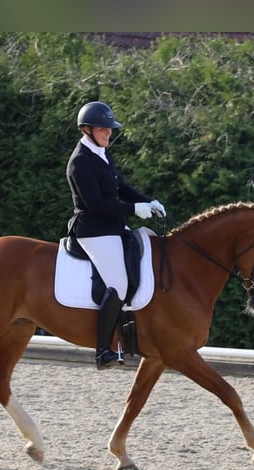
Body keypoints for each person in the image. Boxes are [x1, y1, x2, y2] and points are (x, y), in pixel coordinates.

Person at [66, 101, 166, 370]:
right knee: (119, 284)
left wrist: (149, 201)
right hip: (93, 230)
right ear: (86, 129)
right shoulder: (80, 162)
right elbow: (96, 205)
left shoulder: (102, 153)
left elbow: (121, 187)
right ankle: (102, 351)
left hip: (112, 227)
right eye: (103, 129)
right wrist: (135, 209)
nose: (108, 133)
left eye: (110, 129)